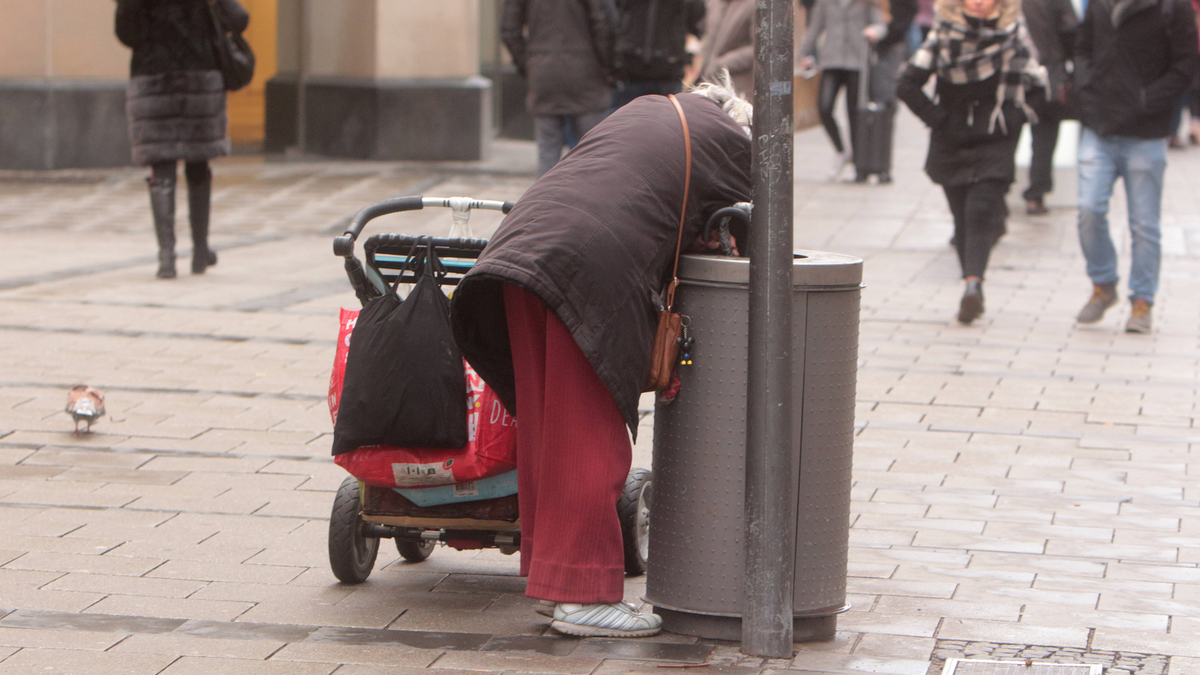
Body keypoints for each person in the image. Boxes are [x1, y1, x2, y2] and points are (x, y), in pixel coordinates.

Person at [449, 79, 752, 638]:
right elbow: (740, 235)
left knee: (550, 428)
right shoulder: (733, 146)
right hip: (583, 268)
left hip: (520, 252)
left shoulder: (649, 110)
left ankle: (556, 581)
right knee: (590, 435)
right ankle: (582, 596)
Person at [897, 0, 1046, 324]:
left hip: (995, 138)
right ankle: (971, 285)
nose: (978, 2)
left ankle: (973, 285)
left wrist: (1011, 117)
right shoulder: (943, 34)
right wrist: (939, 119)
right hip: (952, 140)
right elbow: (907, 84)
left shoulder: (1013, 34)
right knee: (961, 218)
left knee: (980, 211)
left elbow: (1037, 86)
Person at [1072, 0, 1199, 333]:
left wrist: (1147, 99)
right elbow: (1083, 47)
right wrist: (1087, 86)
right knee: (1088, 209)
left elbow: (1186, 65)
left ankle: (1142, 301)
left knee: (1144, 223)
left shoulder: (1173, 7)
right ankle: (1103, 283)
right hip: (1099, 124)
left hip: (1146, 131)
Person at [115, 0, 248, 279]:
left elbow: (127, 34)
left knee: (161, 167)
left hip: (153, 80)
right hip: (200, 78)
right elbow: (239, 19)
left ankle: (167, 258)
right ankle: (200, 252)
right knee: (198, 164)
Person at [502, 0, 614, 177]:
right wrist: (607, 67)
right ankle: (589, 203)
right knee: (593, 155)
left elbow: (509, 30)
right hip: (586, 73)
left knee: (548, 153)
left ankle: (546, 203)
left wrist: (529, 64)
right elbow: (604, 24)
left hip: (544, 74)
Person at [797, 0, 889, 180]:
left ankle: (857, 163)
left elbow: (881, 24)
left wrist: (874, 32)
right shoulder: (825, 3)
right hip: (831, 60)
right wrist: (803, 54)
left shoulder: (866, 3)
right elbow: (815, 28)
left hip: (857, 62)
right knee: (824, 107)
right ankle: (841, 150)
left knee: (854, 113)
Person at [1019, 0, 1079, 215]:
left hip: (1013, 75)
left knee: (1005, 133)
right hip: (1047, 75)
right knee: (1044, 135)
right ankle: (1036, 195)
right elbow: (1072, 30)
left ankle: (1000, 193)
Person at [611, 0, 707, 110]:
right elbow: (610, 17)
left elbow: (698, 22)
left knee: (668, 123)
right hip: (628, 72)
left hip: (669, 74)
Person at [697, 0, 755, 98]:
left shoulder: (754, 5)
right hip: (709, 81)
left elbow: (758, 49)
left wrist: (721, 64)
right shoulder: (714, 3)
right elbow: (709, 38)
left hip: (738, 84)